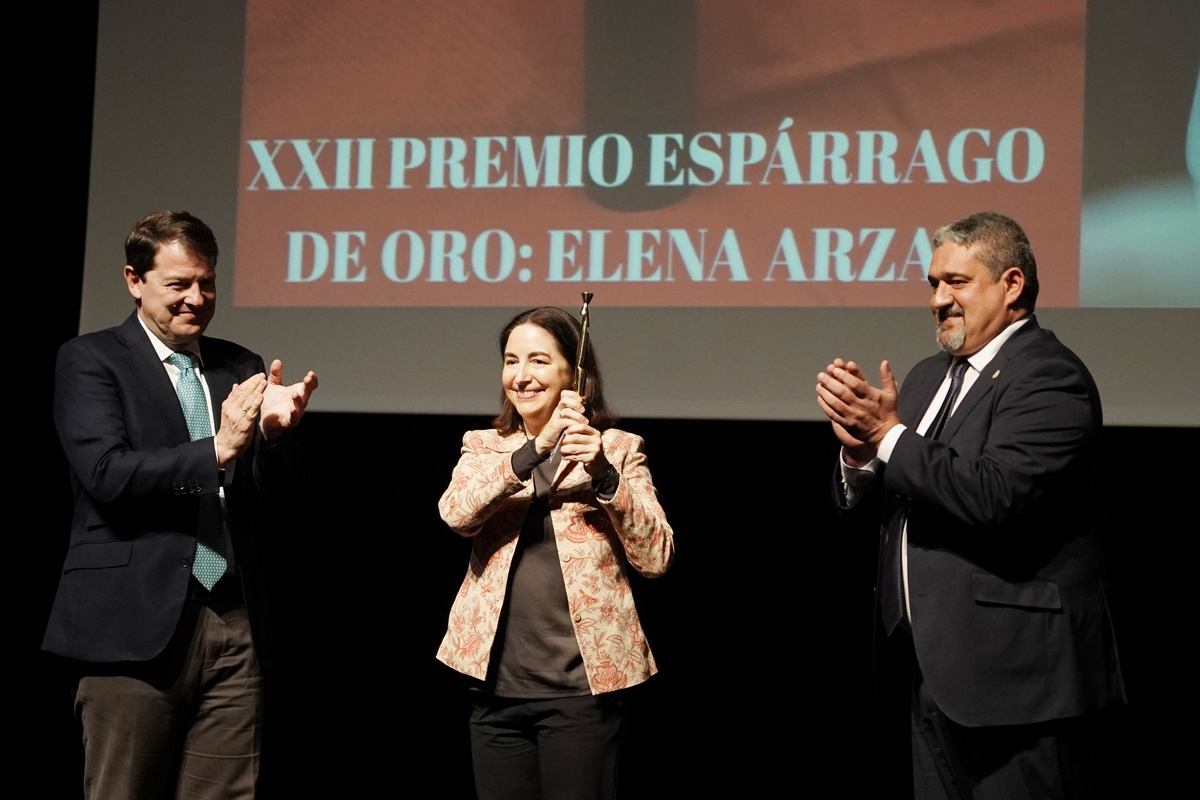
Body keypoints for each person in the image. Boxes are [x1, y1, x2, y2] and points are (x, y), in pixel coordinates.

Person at [815, 211, 1124, 799]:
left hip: (1015, 680)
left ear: (1012, 285)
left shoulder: (1049, 376)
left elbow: (992, 495)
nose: (938, 299)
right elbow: (900, 493)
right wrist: (859, 457)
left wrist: (886, 435)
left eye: (956, 282)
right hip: (932, 670)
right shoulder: (929, 376)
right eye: (933, 283)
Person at [42, 210, 318, 799]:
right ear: (133, 280)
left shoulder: (238, 365)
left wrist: (273, 441)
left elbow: (277, 501)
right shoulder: (91, 359)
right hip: (131, 622)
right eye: (178, 284)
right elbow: (105, 473)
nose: (197, 298)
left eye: (207, 282)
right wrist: (216, 449)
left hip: (233, 620)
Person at [437, 306, 674, 800]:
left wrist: (607, 479)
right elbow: (456, 515)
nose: (521, 376)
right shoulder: (484, 447)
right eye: (511, 361)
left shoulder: (618, 448)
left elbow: (656, 557)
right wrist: (533, 452)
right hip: (494, 691)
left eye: (539, 361)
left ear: (575, 374)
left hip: (581, 695)